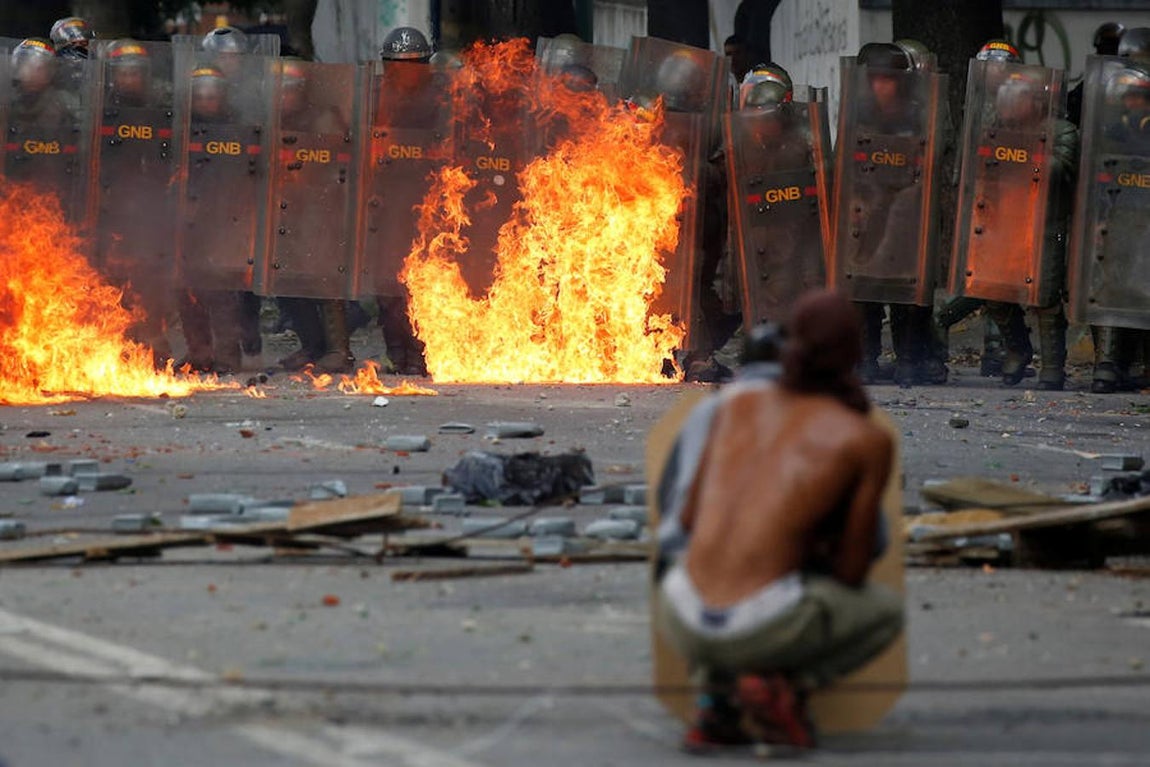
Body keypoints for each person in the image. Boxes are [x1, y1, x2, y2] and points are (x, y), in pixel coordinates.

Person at [657, 289, 902, 752]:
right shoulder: (863, 438)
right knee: (884, 610)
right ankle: (779, 690)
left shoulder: (732, 406)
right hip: (761, 626)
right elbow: (854, 569)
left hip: (680, 613)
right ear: (854, 353)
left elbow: (686, 520)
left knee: (723, 574)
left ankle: (717, 703)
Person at [959, 43, 1077, 390]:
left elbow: (1061, 171)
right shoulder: (995, 127)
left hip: (1047, 226)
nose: (1010, 106)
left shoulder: (1060, 131)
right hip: (1003, 221)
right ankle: (1017, 349)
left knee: (1045, 297)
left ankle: (1053, 366)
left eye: (1018, 99)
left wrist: (1022, 157)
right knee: (993, 289)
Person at [847, 41, 946, 386]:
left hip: (908, 210)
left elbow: (933, 161)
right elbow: (844, 161)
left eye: (887, 79)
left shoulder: (919, 114)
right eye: (874, 79)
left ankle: (909, 358)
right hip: (868, 208)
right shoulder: (857, 112)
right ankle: (867, 358)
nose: (880, 86)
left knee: (908, 287)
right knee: (864, 285)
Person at [271, 58, 357, 374]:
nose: (284, 96)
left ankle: (338, 349)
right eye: (280, 91)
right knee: (287, 281)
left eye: (290, 90)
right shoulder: (274, 120)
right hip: (284, 208)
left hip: (318, 208)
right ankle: (312, 345)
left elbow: (339, 165)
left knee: (323, 279)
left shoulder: (323, 120)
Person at [370, 26, 437, 376]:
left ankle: (422, 352)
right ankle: (397, 353)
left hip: (429, 202)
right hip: (387, 203)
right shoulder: (374, 97)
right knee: (388, 284)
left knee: (424, 281)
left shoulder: (441, 99)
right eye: (398, 65)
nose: (404, 72)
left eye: (412, 65)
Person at [175, 64, 246, 374]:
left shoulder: (236, 130)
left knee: (219, 292)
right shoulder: (180, 128)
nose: (206, 101)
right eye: (200, 96)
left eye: (212, 95)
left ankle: (228, 357)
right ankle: (199, 352)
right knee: (183, 287)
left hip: (221, 219)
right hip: (184, 219)